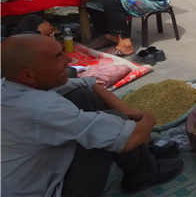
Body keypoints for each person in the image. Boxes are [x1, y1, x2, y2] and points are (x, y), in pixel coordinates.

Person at [1, 34, 183, 196]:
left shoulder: (10, 85)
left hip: (34, 171)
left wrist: (128, 110)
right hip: (44, 189)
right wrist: (147, 118)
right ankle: (143, 174)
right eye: (58, 56)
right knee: (105, 131)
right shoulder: (40, 108)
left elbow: (86, 83)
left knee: (83, 97)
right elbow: (131, 138)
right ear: (28, 75)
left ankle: (143, 159)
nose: (68, 59)